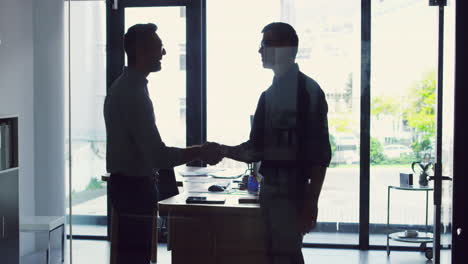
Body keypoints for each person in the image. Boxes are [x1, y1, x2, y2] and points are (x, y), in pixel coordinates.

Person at [103, 23, 221, 264]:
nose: (164, 53)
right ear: (140, 51)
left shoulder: (129, 87)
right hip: (133, 190)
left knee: (134, 257)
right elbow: (158, 156)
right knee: (135, 259)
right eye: (159, 48)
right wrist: (200, 151)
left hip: (130, 188)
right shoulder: (132, 93)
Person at [217, 22, 331, 264]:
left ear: (285, 48)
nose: (260, 51)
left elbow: (320, 155)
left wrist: (311, 202)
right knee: (274, 255)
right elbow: (255, 149)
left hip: (291, 193)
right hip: (272, 192)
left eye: (265, 44)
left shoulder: (308, 92)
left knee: (286, 256)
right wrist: (222, 150)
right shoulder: (269, 95)